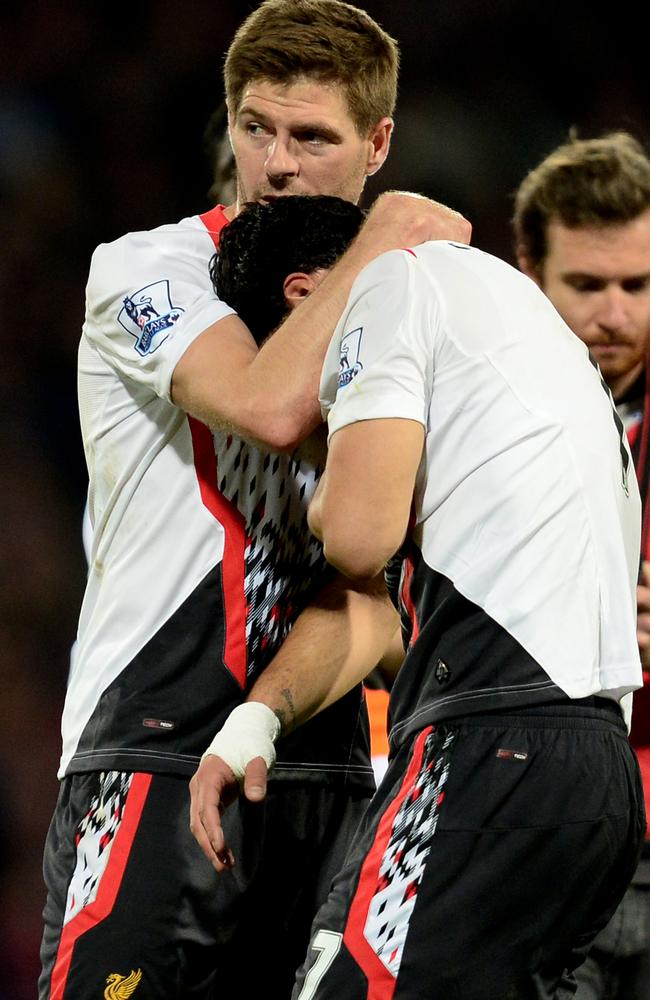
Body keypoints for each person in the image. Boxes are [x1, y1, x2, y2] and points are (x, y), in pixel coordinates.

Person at [38, 0, 471, 996]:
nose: (274, 164)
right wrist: (389, 235)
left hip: (332, 772)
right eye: (254, 127)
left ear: (377, 143)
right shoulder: (149, 269)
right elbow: (264, 406)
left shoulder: (405, 313)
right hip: (150, 756)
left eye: (311, 137)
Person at [190, 195, 645, 998]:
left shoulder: (386, 289)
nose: (302, 427)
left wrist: (326, 497)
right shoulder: (519, 326)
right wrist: (258, 718)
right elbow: (385, 603)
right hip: (596, 773)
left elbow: (358, 539)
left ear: (303, 299)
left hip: (490, 747)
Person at [514, 131, 650, 999]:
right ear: (528, 271)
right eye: (587, 286)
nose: (616, 316)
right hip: (534, 833)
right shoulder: (465, 423)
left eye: (639, 285)